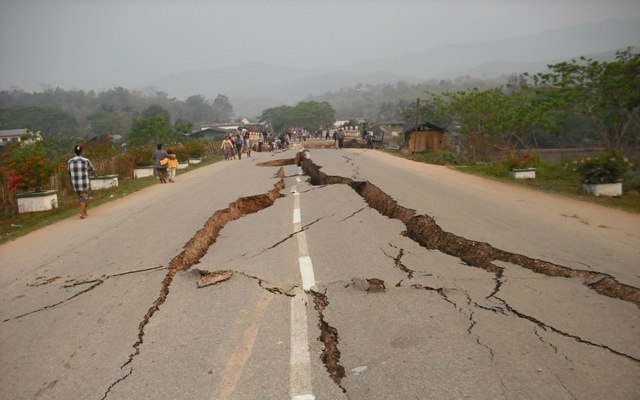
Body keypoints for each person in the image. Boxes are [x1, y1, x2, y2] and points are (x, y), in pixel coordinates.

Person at [68, 145, 96, 219]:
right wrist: (95, 175)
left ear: (75, 152)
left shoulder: (70, 161)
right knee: (84, 197)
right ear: (82, 151)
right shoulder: (85, 160)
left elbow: (69, 172)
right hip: (84, 183)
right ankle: (81, 214)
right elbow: (92, 170)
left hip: (75, 184)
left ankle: (85, 212)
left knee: (81, 197)